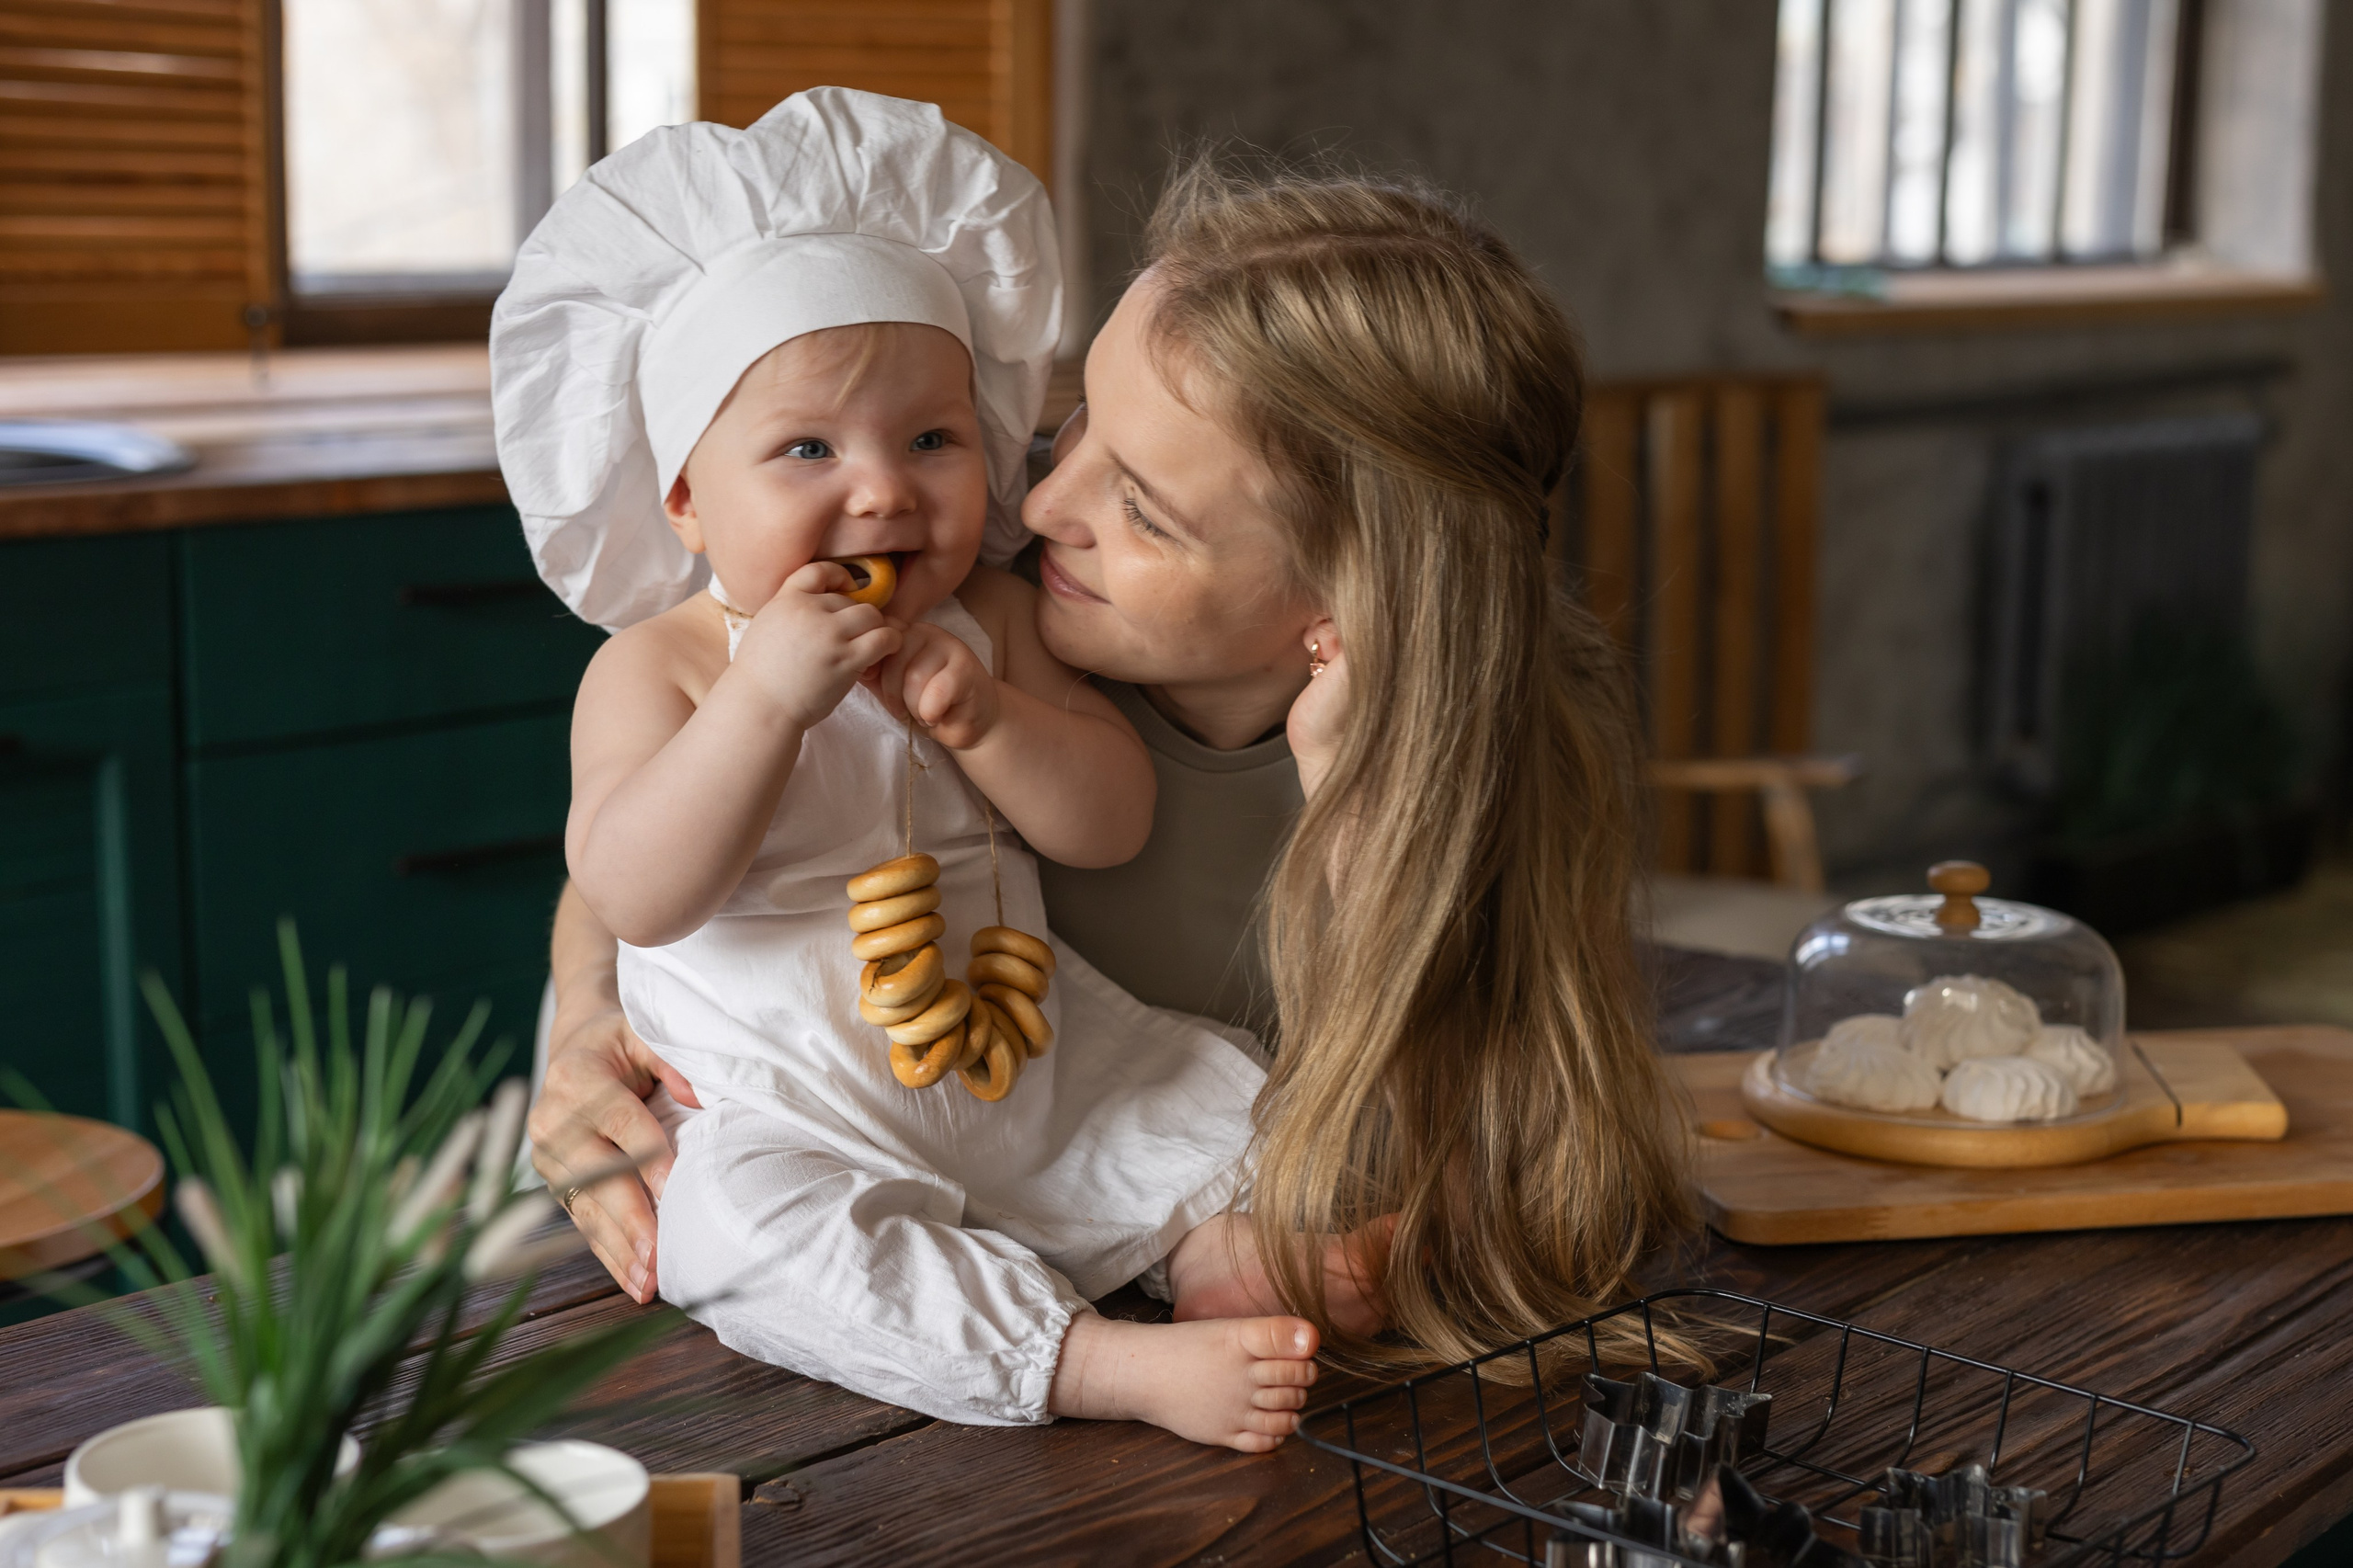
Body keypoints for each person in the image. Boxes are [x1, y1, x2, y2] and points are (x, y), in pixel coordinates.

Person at [532, 151, 1695, 1423]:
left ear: (1340, 607)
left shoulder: (1515, 738)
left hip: (1086, 1181)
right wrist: (583, 1015)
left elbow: (1493, 1151)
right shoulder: (961, 571)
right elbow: (652, 836)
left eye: (1142, 508)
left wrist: (1351, 807)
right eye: (1072, 418)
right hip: (814, 1148)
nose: (1032, 496)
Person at [494, 90, 1326, 1451]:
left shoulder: (991, 619)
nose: (883, 492)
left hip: (1028, 1074)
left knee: (1214, 1095)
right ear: (688, 500)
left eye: (931, 440)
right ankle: (1089, 1359)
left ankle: (1227, 1260)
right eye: (808, 449)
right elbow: (634, 886)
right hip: (795, 1109)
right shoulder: (663, 668)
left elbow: (1110, 820)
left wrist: (989, 719)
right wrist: (760, 706)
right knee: (735, 1232)